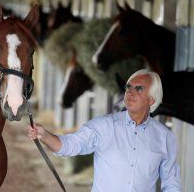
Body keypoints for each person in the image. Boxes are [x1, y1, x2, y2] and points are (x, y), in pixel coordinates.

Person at [28, 69, 181, 192]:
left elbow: (171, 183)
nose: (130, 92)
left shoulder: (165, 137)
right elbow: (70, 145)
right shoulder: (104, 126)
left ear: (152, 99)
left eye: (139, 89)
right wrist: (45, 136)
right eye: (128, 87)